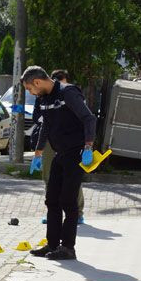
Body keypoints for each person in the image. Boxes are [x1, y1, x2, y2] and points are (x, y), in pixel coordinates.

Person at [23, 66, 96, 261]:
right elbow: (46, 125)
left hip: (76, 153)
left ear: (37, 82)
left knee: (68, 202)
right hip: (60, 153)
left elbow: (89, 118)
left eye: (30, 88)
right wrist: (38, 153)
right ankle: (52, 244)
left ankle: (68, 248)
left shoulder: (67, 92)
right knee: (52, 200)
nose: (31, 92)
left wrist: (88, 146)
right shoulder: (44, 98)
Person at [32, 69, 85, 225]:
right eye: (56, 80)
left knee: (72, 178)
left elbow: (83, 118)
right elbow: (38, 118)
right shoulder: (42, 96)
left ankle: (78, 212)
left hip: (69, 143)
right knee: (49, 176)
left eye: (61, 80)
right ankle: (53, 213)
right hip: (49, 141)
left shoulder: (70, 94)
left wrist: (87, 145)